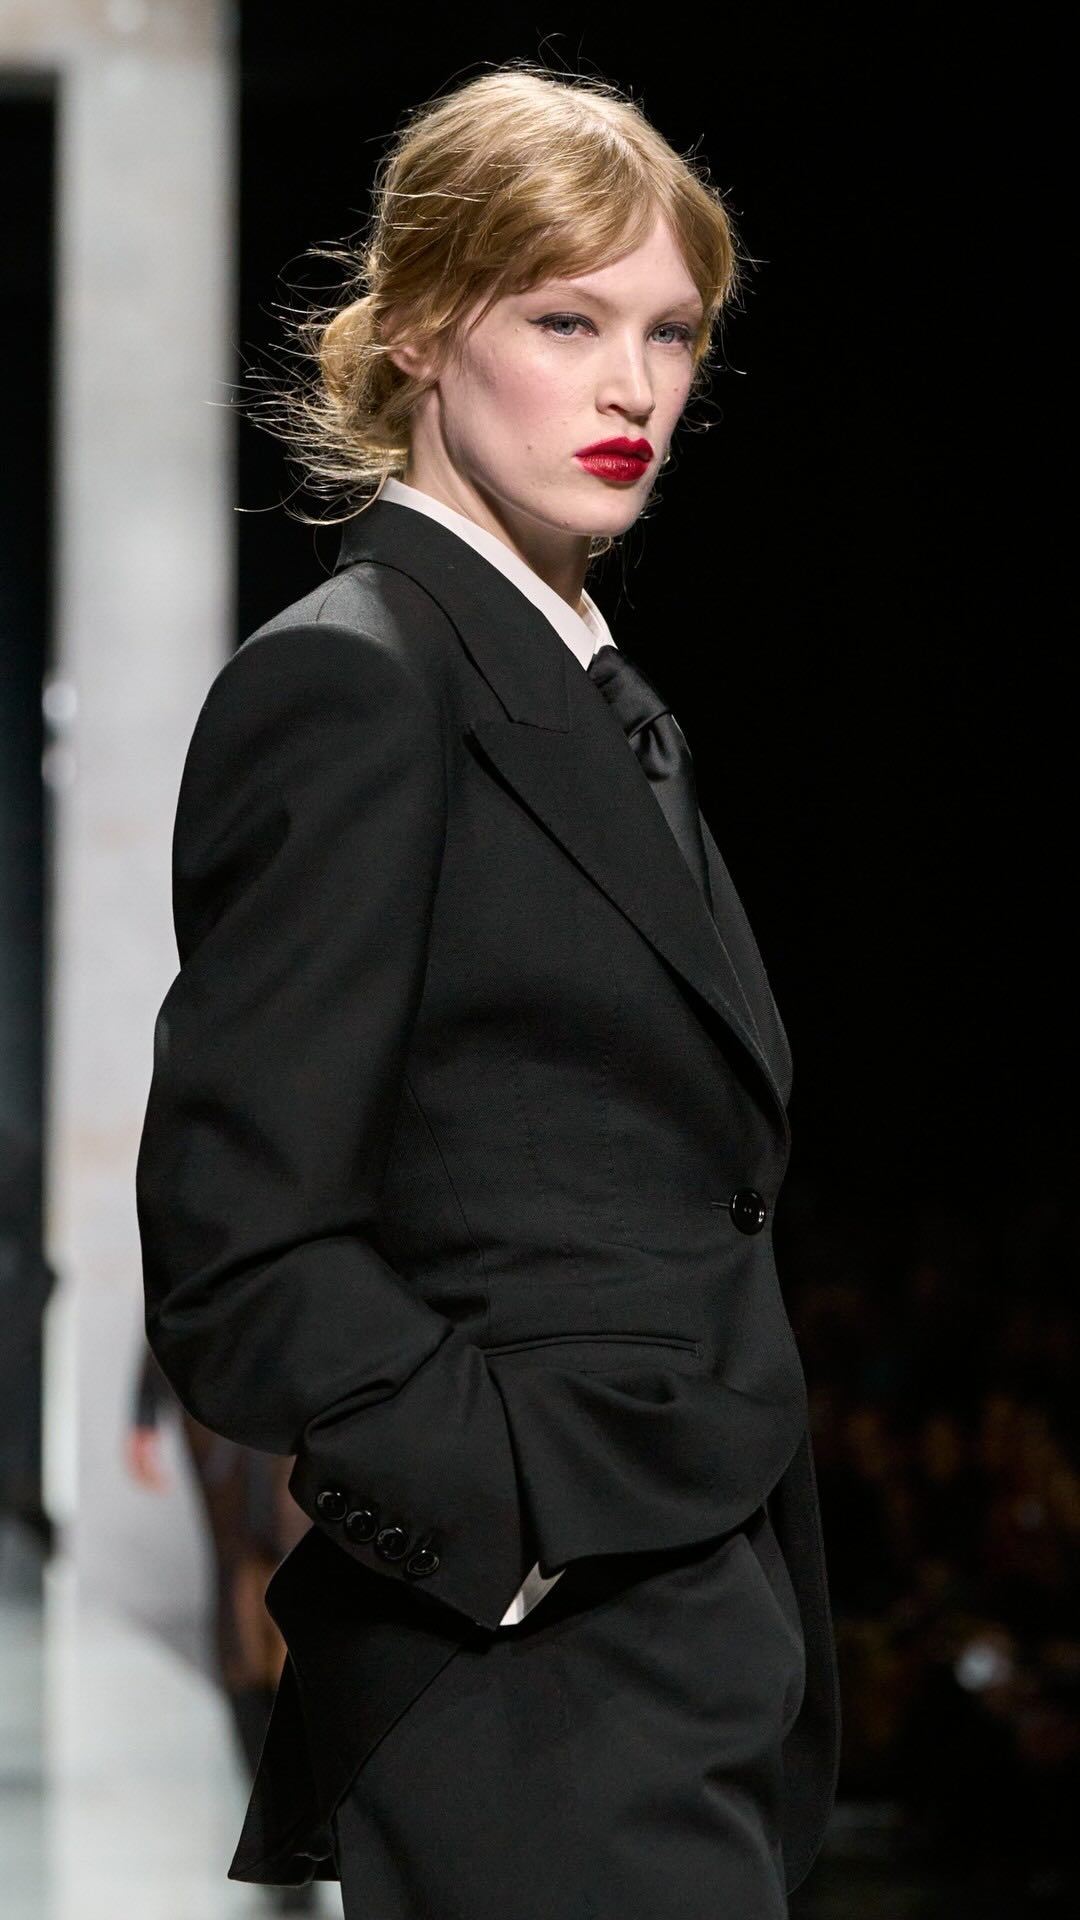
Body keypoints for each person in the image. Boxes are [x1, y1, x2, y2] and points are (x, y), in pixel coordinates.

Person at [135, 62, 841, 1919]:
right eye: (567, 321)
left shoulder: (589, 698)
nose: (634, 388)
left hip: (685, 1638)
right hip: (534, 1670)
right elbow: (237, 1247)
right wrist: (514, 1527)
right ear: (424, 330)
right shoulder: (361, 683)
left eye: (671, 331)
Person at [125, 1343, 316, 1914]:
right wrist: (141, 1410)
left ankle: (289, 1827)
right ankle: (281, 1827)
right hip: (231, 1366)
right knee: (244, 1578)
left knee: (282, 1577)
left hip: (294, 1370)